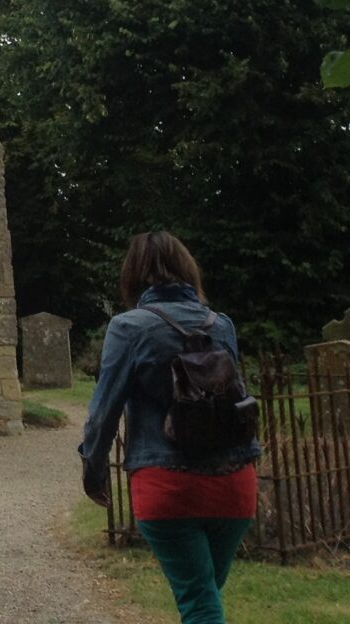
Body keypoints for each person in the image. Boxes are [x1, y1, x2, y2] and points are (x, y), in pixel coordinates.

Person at [78, 231, 262, 624]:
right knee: (202, 596)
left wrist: (94, 473)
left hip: (168, 486)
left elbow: (102, 413)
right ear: (187, 270)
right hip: (235, 484)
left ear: (133, 275)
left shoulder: (128, 328)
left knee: (198, 601)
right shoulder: (221, 323)